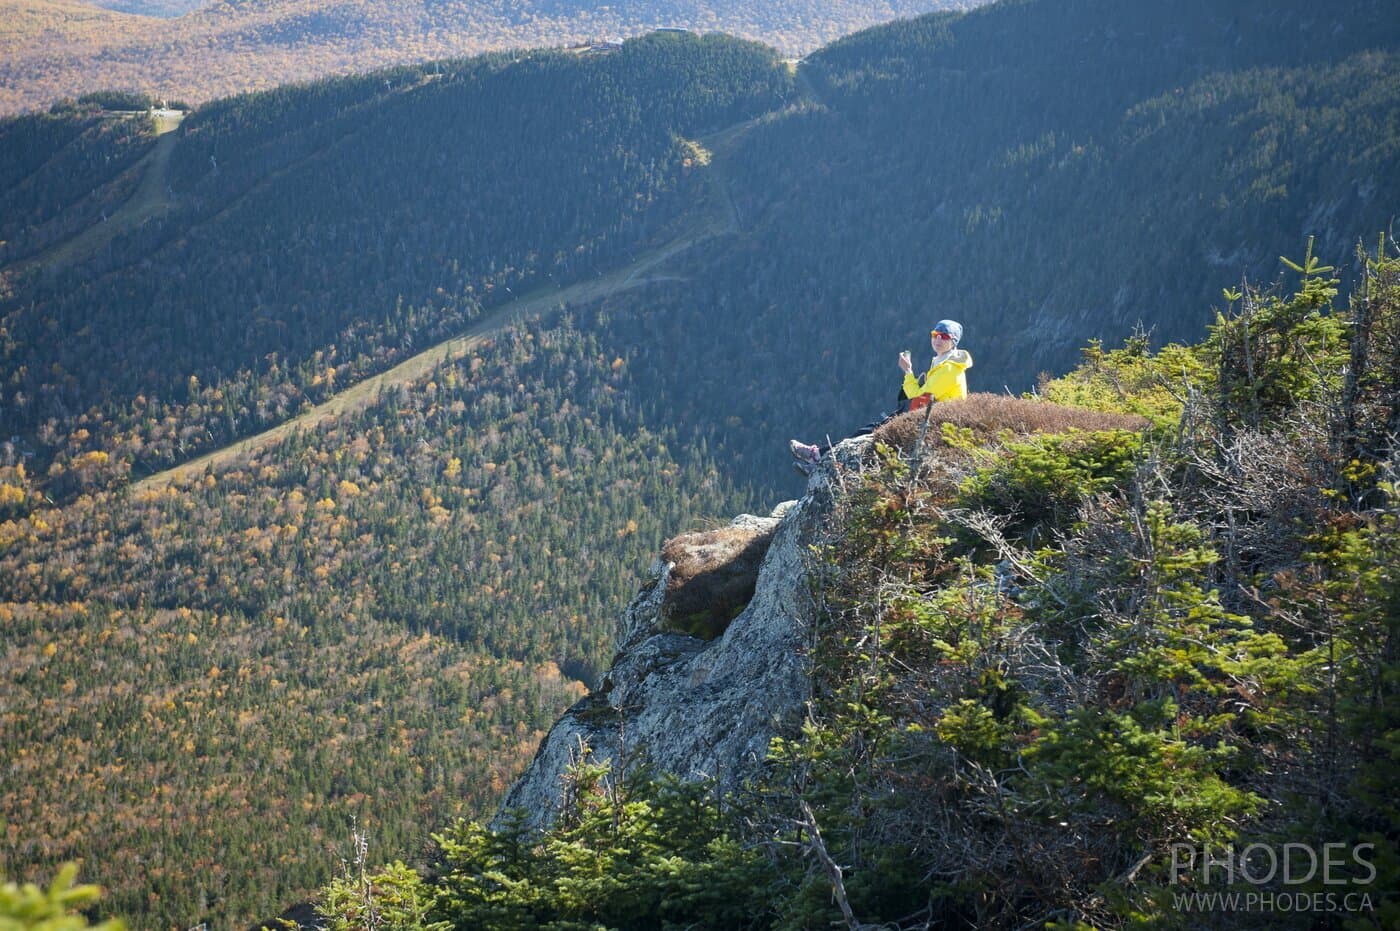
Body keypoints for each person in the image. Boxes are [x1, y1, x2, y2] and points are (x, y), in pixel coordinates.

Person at [789, 319, 972, 471]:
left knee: (872, 433)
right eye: (935, 335)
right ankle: (819, 457)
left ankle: (818, 459)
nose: (938, 339)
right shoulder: (944, 362)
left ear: (953, 341)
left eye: (944, 336)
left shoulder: (949, 368)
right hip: (929, 415)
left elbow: (918, 394)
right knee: (871, 429)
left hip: (935, 422)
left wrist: (908, 372)